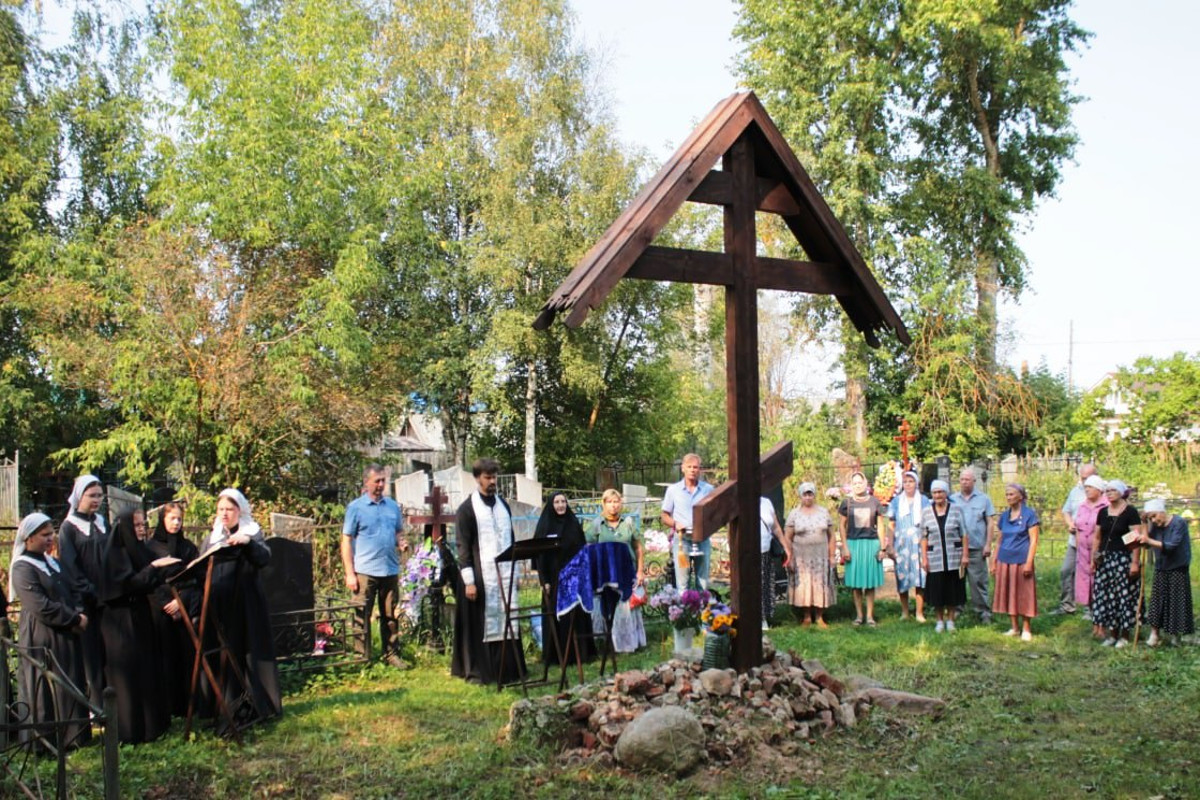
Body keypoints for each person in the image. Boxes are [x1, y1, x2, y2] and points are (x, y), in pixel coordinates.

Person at [198, 488, 282, 729]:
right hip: (220, 607)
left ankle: (255, 706)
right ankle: (226, 706)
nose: (225, 514)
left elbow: (263, 557)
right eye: (221, 509)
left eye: (230, 509)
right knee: (224, 655)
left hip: (246, 605)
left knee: (247, 653)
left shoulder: (251, 532)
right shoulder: (212, 537)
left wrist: (246, 543)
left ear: (240, 511)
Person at [9, 512, 91, 751]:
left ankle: (74, 737)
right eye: (44, 535)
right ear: (29, 538)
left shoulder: (51, 561)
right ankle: (45, 742)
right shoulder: (22, 567)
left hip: (66, 631)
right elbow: (39, 605)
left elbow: (72, 589)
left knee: (69, 680)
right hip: (41, 634)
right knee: (44, 686)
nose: (50, 538)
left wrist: (78, 611)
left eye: (51, 533)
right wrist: (74, 617)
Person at [98, 508, 174, 743]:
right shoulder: (115, 554)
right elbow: (128, 583)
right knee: (128, 676)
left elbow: (148, 580)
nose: (142, 529)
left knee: (146, 670)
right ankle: (131, 731)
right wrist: (154, 568)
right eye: (137, 525)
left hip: (139, 616)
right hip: (120, 622)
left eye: (144, 524)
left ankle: (152, 726)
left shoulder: (140, 549)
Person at [452, 458, 526, 685]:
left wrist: (516, 571)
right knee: (482, 622)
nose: (492, 481)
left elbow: (511, 539)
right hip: (481, 576)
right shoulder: (467, 509)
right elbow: (462, 546)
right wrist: (469, 581)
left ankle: (509, 669)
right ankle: (479, 671)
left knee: (507, 616)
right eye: (487, 477)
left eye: (494, 477)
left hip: (504, 572)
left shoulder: (502, 505)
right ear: (477, 478)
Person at [341, 464, 408, 669]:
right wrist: (349, 574)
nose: (380, 485)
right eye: (376, 481)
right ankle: (362, 658)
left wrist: (401, 542)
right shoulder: (356, 508)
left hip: (389, 569)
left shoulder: (392, 507)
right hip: (365, 571)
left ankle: (391, 654)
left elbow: (397, 532)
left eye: (383, 481)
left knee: (390, 615)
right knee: (362, 614)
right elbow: (346, 540)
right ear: (366, 482)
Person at [55, 473, 109, 707]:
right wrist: (89, 592)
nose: (96, 500)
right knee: (92, 656)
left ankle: (112, 703)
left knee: (110, 652)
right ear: (79, 496)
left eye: (99, 495)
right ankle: (97, 707)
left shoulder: (102, 522)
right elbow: (69, 566)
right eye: (91, 495)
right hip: (86, 600)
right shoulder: (68, 528)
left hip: (108, 597)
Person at [145, 499, 201, 717]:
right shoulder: (150, 548)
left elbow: (195, 578)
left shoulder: (188, 547)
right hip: (159, 611)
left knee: (185, 657)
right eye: (172, 518)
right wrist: (165, 604)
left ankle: (188, 705)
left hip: (183, 609)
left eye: (179, 519)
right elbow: (149, 580)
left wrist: (181, 602)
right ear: (162, 520)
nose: (176, 523)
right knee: (164, 659)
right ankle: (166, 707)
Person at [532, 492, 592, 665]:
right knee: (557, 616)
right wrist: (545, 581)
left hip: (574, 579)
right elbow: (539, 556)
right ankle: (557, 656)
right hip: (554, 580)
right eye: (557, 502)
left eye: (563, 502)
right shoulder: (545, 526)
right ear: (551, 505)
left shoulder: (573, 524)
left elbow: (582, 551)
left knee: (575, 616)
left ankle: (579, 654)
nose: (560, 505)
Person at [586, 488, 646, 653]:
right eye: (610, 502)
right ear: (604, 504)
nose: (613, 506)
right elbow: (588, 547)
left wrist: (640, 571)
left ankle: (627, 642)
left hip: (627, 572)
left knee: (626, 607)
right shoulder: (597, 524)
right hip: (606, 575)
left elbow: (638, 547)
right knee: (607, 607)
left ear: (621, 504)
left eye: (616, 502)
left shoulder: (627, 523)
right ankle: (608, 642)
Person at [1090, 480, 1143, 648]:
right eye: (1107, 490)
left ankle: (1125, 636)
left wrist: (1135, 563)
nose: (1109, 493)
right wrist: (1094, 558)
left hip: (1123, 558)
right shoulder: (1102, 512)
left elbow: (1135, 539)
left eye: (1113, 490)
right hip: (1105, 560)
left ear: (1121, 492)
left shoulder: (1130, 512)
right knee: (1107, 596)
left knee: (1124, 596)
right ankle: (1112, 634)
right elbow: (1098, 537)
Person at [1139, 498, 1193, 647]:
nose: (1154, 520)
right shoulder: (1156, 526)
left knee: (1176, 601)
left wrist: (1148, 541)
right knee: (1157, 601)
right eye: (1151, 518)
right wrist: (1144, 523)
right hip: (1161, 567)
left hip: (1178, 567)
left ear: (1162, 512)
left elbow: (1171, 546)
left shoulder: (1178, 523)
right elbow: (1147, 542)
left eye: (1155, 516)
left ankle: (1176, 636)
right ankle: (1154, 634)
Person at [991, 483, 1040, 641]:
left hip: (1022, 560)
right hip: (1005, 560)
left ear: (1020, 496)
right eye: (1007, 494)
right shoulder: (1004, 516)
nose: (1008, 497)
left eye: (1011, 494)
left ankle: (1026, 628)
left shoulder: (1029, 515)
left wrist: (1028, 562)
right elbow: (999, 540)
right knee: (1009, 593)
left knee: (1024, 593)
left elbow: (1033, 541)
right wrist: (994, 561)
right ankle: (1014, 627)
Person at [784, 482, 836, 628]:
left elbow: (831, 536)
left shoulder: (824, 512)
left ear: (814, 495)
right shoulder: (794, 514)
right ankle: (806, 617)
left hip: (820, 556)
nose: (808, 497)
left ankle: (820, 617)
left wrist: (832, 556)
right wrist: (790, 558)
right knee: (805, 586)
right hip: (801, 557)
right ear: (800, 496)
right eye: (805, 494)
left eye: (810, 494)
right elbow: (787, 537)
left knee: (820, 584)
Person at [838, 471, 886, 627]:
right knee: (856, 584)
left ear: (866, 484)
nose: (858, 485)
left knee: (870, 583)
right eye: (855, 483)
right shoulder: (847, 503)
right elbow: (841, 526)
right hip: (853, 544)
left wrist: (882, 547)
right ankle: (859, 616)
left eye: (860, 482)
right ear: (851, 486)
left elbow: (880, 525)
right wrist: (844, 547)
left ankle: (870, 616)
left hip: (871, 544)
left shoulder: (874, 502)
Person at [660, 454, 715, 590]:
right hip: (682, 541)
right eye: (689, 467)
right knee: (682, 584)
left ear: (700, 470)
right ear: (682, 468)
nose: (692, 470)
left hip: (702, 540)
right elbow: (664, 516)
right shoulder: (673, 490)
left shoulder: (708, 490)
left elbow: (715, 513)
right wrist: (675, 524)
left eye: (695, 467)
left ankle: (702, 610)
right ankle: (683, 611)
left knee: (702, 583)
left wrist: (708, 524)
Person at [920, 480, 968, 633]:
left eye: (940, 492)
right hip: (935, 558)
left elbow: (964, 534)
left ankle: (951, 621)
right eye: (935, 492)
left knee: (952, 591)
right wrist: (924, 558)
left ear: (946, 493)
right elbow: (923, 536)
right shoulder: (926, 512)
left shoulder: (956, 510)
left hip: (954, 557)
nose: (938, 495)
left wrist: (965, 555)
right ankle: (939, 621)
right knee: (937, 591)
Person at [950, 467, 996, 623]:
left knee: (978, 581)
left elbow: (990, 523)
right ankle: (957, 608)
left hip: (977, 547)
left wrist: (988, 544)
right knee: (956, 580)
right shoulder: (953, 499)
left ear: (974, 481)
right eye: (962, 479)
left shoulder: (984, 499)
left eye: (967, 479)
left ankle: (983, 611)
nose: (964, 482)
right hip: (956, 548)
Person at [1054, 463, 1099, 615]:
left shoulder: (1101, 492)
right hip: (1075, 541)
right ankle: (1067, 606)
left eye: (1087, 478)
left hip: (1092, 543)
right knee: (1066, 570)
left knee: (1091, 574)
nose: (1084, 482)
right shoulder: (1075, 491)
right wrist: (1070, 524)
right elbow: (1066, 511)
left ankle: (1090, 608)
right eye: (1082, 478)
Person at [887, 471, 928, 622]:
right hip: (902, 545)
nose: (908, 484)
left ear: (916, 483)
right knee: (902, 577)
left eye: (911, 481)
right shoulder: (897, 502)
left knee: (920, 578)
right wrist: (889, 545)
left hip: (919, 544)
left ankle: (919, 612)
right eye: (906, 482)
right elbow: (891, 524)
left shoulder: (923, 500)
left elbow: (928, 523)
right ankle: (905, 611)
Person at [1071, 474, 1109, 632]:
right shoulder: (1082, 506)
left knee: (1100, 583)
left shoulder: (1106, 506)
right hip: (1083, 552)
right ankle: (1093, 615)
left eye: (1090, 487)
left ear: (1099, 490)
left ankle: (1104, 619)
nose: (1086, 490)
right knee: (1087, 584)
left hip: (1100, 552)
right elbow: (1078, 526)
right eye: (1085, 487)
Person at [759, 495, 791, 630]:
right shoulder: (738, 501)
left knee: (766, 585)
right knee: (752, 586)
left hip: (765, 551)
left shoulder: (766, 502)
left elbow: (776, 527)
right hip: (747, 553)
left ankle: (764, 618)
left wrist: (785, 547)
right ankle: (751, 618)